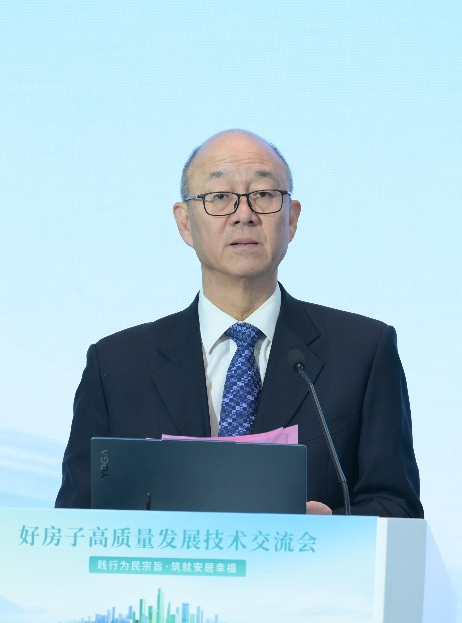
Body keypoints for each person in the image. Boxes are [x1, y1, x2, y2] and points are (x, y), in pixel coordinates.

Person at [55, 130, 422, 518]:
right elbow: (75, 521)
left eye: (263, 194)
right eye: (219, 197)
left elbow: (398, 509)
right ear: (184, 222)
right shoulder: (118, 365)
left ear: (291, 218)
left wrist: (327, 527)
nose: (243, 214)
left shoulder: (362, 352)